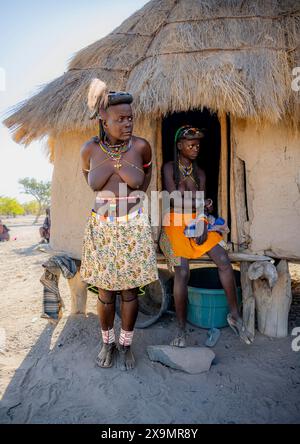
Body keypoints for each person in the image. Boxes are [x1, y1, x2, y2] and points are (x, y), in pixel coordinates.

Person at [80, 79, 158, 370]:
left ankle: (126, 345)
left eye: (130, 118)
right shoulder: (90, 149)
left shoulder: (140, 146)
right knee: (105, 292)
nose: (128, 124)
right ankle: (107, 343)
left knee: (128, 292)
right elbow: (86, 177)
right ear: (103, 119)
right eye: (120, 119)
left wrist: (134, 198)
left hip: (132, 228)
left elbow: (146, 177)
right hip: (101, 228)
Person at [159, 125, 254, 347]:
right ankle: (181, 330)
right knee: (182, 271)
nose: (196, 147)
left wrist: (202, 221)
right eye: (191, 144)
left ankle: (235, 315)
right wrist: (202, 203)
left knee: (223, 260)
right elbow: (173, 199)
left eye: (198, 144)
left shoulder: (200, 173)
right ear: (179, 145)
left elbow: (201, 206)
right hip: (174, 223)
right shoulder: (169, 168)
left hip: (196, 221)